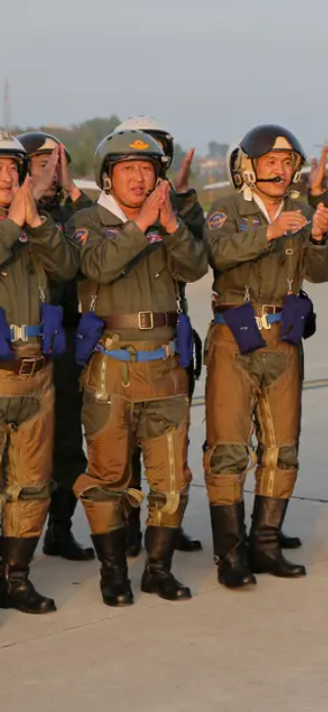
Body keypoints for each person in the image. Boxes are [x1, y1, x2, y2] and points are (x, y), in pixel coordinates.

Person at [72, 130, 209, 605]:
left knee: (171, 477)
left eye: (147, 169)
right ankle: (113, 573)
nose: (138, 177)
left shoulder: (169, 223)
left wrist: (170, 226)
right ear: (107, 177)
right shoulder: (88, 222)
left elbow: (195, 267)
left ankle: (158, 569)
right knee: (108, 476)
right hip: (112, 367)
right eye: (127, 169)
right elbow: (98, 266)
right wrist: (141, 224)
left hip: (165, 366)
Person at [201, 125, 328, 588]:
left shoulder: (302, 211)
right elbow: (218, 255)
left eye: (287, 162)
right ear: (249, 167)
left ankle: (266, 545)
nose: (281, 170)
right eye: (271, 162)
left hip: (284, 339)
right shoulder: (226, 209)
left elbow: (319, 274)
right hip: (234, 339)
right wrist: (270, 231)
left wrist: (319, 238)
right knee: (228, 448)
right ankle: (230, 555)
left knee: (282, 448)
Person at [112, 116, 205, 556]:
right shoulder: (111, 213)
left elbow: (197, 253)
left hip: (171, 332)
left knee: (168, 442)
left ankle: (164, 524)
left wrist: (182, 201)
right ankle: (128, 527)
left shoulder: (172, 205)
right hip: (123, 343)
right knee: (123, 446)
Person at [0, 133, 77, 614]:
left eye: (13, 167)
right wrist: (13, 223)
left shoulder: (35, 223)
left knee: (31, 482)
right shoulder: (12, 225)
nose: (8, 176)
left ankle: (16, 578)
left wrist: (37, 224)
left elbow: (66, 267)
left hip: (37, 371)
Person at [16, 132, 97, 562]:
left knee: (66, 443)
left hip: (64, 339)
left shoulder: (70, 215)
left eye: (58, 164)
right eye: (42, 164)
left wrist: (70, 188)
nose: (51, 172)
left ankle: (60, 531)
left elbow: (99, 234)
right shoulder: (12, 217)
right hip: (17, 344)